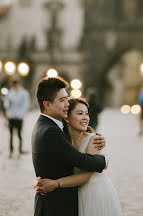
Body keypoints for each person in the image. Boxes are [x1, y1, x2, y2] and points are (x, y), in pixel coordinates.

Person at [32, 77, 107, 216]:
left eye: (66, 99)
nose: (67, 103)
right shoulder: (51, 131)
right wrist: (104, 161)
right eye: (62, 100)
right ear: (47, 104)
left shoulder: (47, 125)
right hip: (56, 206)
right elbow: (80, 160)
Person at [35, 97, 122, 216]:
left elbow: (86, 176)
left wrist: (55, 183)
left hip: (95, 193)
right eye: (80, 113)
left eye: (87, 114)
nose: (85, 118)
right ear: (67, 117)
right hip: (77, 194)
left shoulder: (94, 139)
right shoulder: (63, 140)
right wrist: (40, 183)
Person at [4, 79, 30, 157]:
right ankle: (11, 150)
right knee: (11, 134)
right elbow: (6, 105)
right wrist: (8, 104)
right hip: (11, 116)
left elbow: (25, 105)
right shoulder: (9, 93)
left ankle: (20, 149)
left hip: (19, 117)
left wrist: (21, 115)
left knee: (19, 134)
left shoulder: (23, 93)